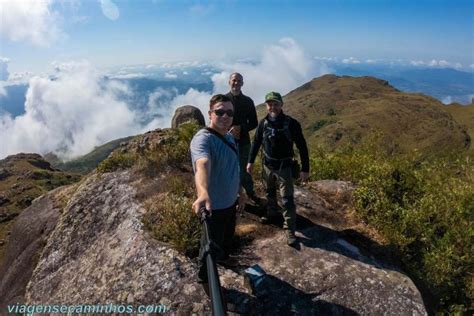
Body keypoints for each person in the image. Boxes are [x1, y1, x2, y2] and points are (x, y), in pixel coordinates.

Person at [190, 94, 245, 290]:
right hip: (213, 208)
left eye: (229, 113)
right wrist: (203, 192)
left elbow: (233, 167)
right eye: (219, 112)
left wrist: (240, 190)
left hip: (230, 203)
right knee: (208, 250)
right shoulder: (202, 140)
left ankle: (223, 262)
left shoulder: (229, 137)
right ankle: (206, 283)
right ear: (209, 114)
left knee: (225, 240)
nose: (225, 116)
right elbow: (201, 164)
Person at [246, 91, 309, 246]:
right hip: (267, 166)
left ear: (281, 105)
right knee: (270, 193)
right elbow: (256, 142)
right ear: (267, 106)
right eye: (269, 104)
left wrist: (305, 168)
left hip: (284, 168)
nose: (272, 107)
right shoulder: (264, 123)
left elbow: (302, 146)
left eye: (275, 104)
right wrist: (250, 161)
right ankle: (272, 214)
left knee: (287, 200)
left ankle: (289, 230)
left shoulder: (291, 123)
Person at [226, 73, 261, 204]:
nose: (236, 83)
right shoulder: (224, 100)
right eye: (234, 80)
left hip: (243, 142)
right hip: (226, 141)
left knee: (245, 170)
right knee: (228, 169)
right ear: (229, 82)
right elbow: (216, 119)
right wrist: (228, 130)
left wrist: (241, 128)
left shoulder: (248, 101)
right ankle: (232, 195)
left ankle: (250, 193)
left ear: (242, 83)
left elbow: (254, 122)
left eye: (239, 81)